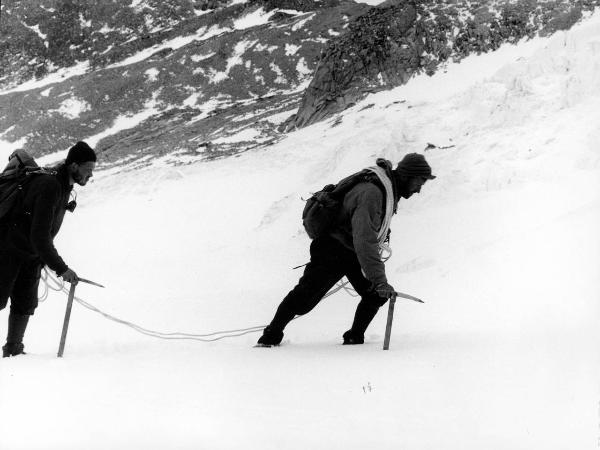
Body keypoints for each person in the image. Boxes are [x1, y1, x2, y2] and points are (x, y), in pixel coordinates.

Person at [257, 153, 435, 346]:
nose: (419, 190)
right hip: (332, 249)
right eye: (420, 182)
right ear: (408, 176)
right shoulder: (373, 193)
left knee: (375, 295)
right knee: (304, 298)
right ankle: (270, 336)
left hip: (349, 251)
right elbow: (364, 240)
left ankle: (354, 338)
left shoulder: (386, 191)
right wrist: (379, 280)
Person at [0, 141, 96, 357]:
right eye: (88, 170)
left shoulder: (63, 187)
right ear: (74, 166)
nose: (90, 175)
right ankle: (13, 350)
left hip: (30, 255)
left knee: (25, 303)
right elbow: (40, 236)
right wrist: (62, 269)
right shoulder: (50, 185)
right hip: (8, 248)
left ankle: (14, 350)